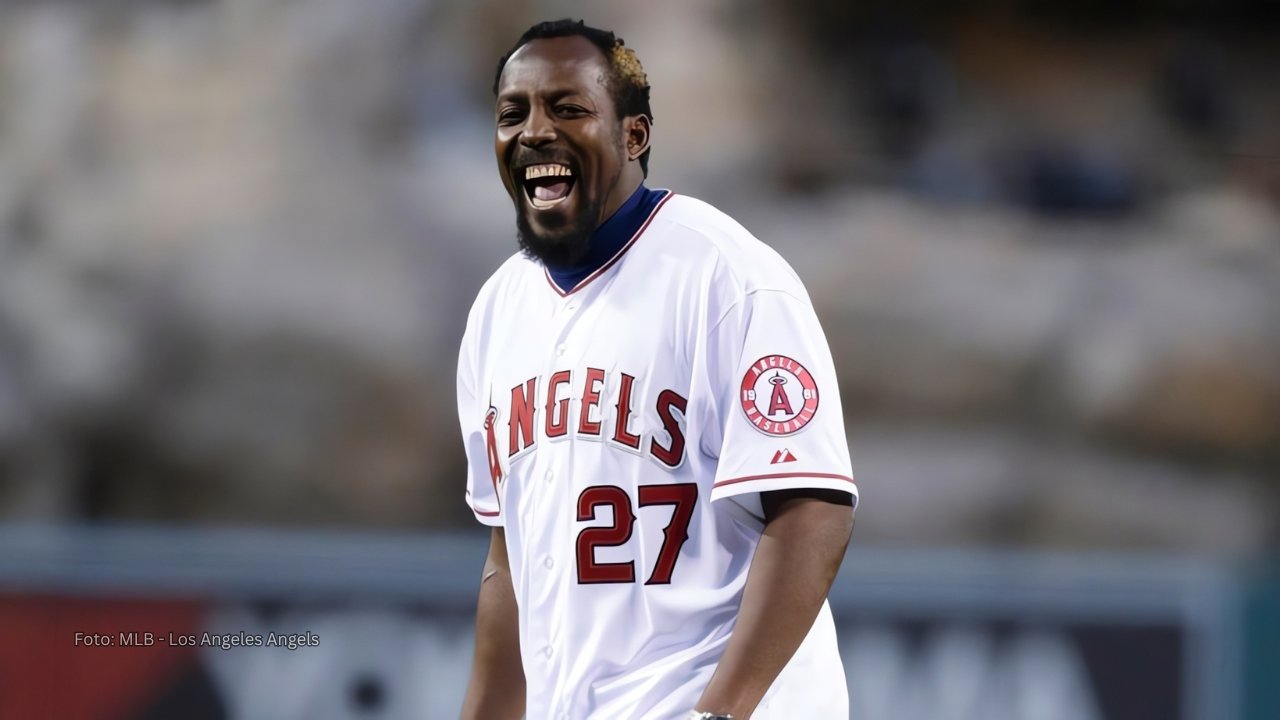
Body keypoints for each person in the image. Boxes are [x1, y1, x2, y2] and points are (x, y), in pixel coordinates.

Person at [457, 19, 858, 720]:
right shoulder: (498, 309)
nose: (534, 131)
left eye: (568, 108)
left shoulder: (727, 277)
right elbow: (509, 556)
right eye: (512, 114)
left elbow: (811, 509)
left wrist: (721, 713)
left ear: (634, 136)